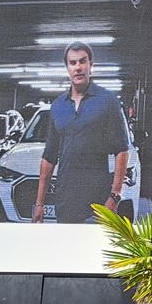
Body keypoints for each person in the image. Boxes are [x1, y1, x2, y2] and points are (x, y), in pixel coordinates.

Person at [32, 42, 129, 224]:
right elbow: (49, 157)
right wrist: (39, 203)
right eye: (73, 63)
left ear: (91, 65)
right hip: (65, 200)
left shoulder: (108, 101)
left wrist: (115, 196)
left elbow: (121, 150)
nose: (78, 67)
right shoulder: (58, 106)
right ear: (67, 68)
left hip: (99, 201)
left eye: (82, 61)